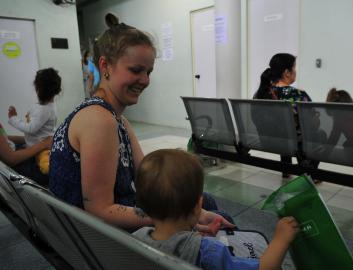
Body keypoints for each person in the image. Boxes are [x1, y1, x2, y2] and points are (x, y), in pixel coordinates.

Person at [49, 13, 233, 233]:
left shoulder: (116, 119)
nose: (145, 80)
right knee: (219, 214)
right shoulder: (99, 120)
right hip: (97, 239)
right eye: (136, 70)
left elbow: (149, 178)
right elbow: (100, 210)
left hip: (92, 227)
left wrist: (193, 211)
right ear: (105, 65)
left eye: (148, 71)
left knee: (204, 202)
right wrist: (176, 218)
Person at [133, 149, 299, 269]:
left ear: (144, 207)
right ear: (199, 207)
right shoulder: (207, 252)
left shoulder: (136, 238)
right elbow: (262, 268)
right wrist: (281, 239)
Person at [253, 53, 313, 178]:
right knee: (318, 134)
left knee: (283, 129)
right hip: (292, 142)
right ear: (287, 72)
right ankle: (309, 172)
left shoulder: (260, 93)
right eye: (294, 68)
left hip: (267, 140)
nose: (295, 71)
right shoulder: (298, 94)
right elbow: (312, 121)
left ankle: (287, 169)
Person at [8, 68, 61, 178]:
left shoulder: (45, 110)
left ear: (37, 89)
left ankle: (50, 169)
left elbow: (30, 128)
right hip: (35, 144)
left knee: (44, 164)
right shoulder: (45, 106)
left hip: (42, 148)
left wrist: (13, 119)